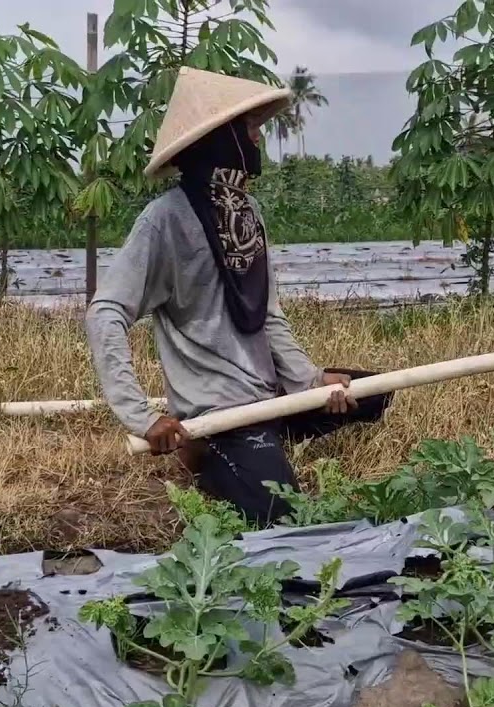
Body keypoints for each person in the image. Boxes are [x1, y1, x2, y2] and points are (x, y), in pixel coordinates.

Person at [85, 67, 392, 527]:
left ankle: (269, 437)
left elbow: (266, 315)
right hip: (221, 413)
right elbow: (105, 312)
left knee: (375, 392)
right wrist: (140, 417)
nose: (258, 140)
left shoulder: (246, 211)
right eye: (250, 130)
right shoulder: (164, 221)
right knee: (283, 517)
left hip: (270, 395)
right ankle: (203, 449)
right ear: (222, 139)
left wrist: (310, 381)